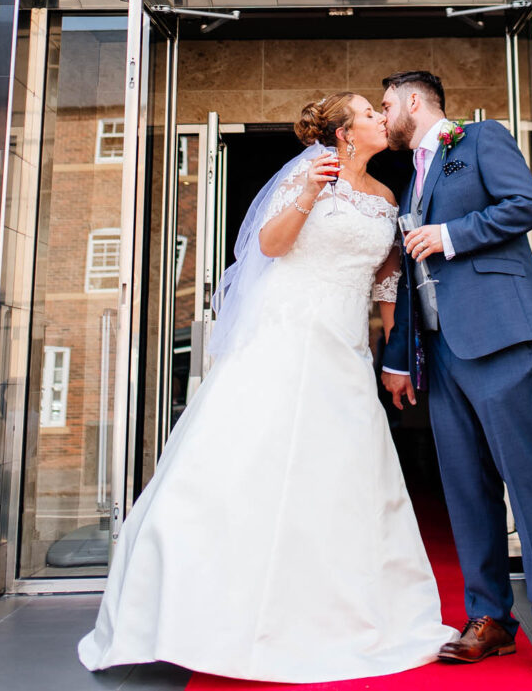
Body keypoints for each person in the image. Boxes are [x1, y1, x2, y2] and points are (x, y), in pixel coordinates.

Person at [78, 92, 455, 681]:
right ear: (344, 133)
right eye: (370, 113)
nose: (383, 119)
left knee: (343, 474)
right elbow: (271, 247)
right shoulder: (308, 176)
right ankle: (201, 608)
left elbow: (385, 280)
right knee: (252, 459)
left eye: (383, 111)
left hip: (346, 348)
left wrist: (394, 353)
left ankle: (338, 609)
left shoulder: (386, 196)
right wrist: (310, 195)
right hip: (286, 331)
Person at [380, 70, 532, 681]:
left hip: (500, 336)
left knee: (527, 480)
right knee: (466, 491)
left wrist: (451, 235)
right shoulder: (410, 178)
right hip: (441, 352)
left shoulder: (479, 138)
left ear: (414, 101)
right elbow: (412, 274)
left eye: (387, 104)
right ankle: (489, 619)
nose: (384, 114)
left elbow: (527, 205)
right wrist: (399, 356)